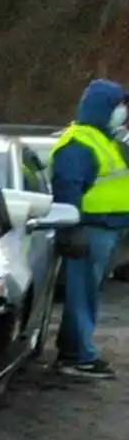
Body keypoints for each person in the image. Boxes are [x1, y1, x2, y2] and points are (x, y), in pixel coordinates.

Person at [49, 78, 129, 378]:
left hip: (106, 230)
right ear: (102, 107)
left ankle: (78, 350)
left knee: (87, 294)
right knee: (82, 295)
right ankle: (76, 355)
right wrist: (72, 229)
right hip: (90, 230)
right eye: (119, 105)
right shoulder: (79, 143)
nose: (123, 111)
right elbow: (68, 188)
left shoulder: (105, 139)